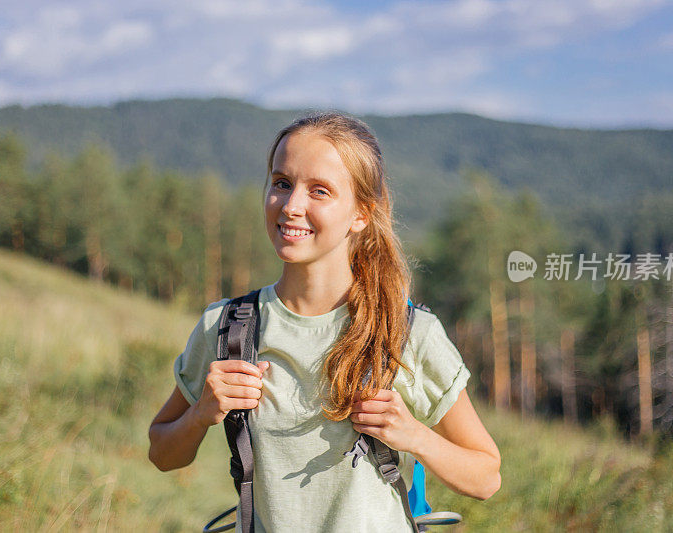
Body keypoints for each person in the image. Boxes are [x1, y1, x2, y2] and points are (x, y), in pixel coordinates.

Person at [148, 111, 501, 532]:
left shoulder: (407, 333)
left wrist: (414, 436)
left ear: (361, 214)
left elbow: (486, 478)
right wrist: (202, 413)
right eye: (282, 183)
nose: (292, 206)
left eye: (320, 191)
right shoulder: (226, 328)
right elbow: (162, 453)